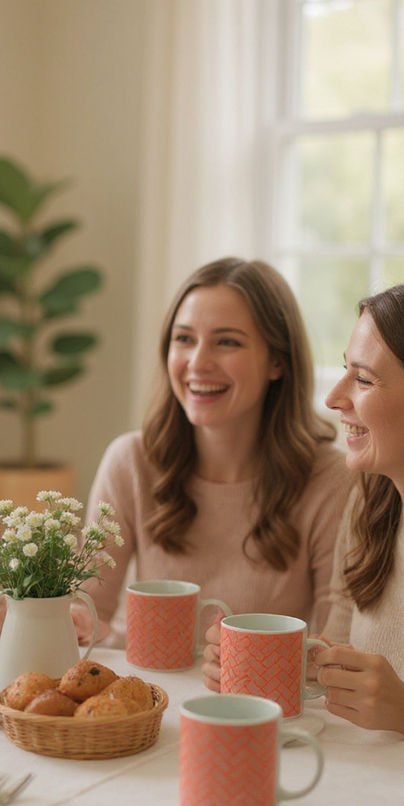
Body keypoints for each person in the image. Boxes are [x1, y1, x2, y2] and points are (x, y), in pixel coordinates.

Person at [199, 280, 404, 806]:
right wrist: (267, 666)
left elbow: (402, 717)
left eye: (362, 380)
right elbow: (339, 654)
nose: (334, 398)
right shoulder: (376, 503)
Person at [80, 257, 353, 645]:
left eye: (227, 342)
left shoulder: (332, 479)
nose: (198, 362)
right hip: (145, 695)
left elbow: (334, 644)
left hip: (264, 704)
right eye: (184, 339)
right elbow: (87, 612)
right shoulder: (130, 461)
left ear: (277, 360)